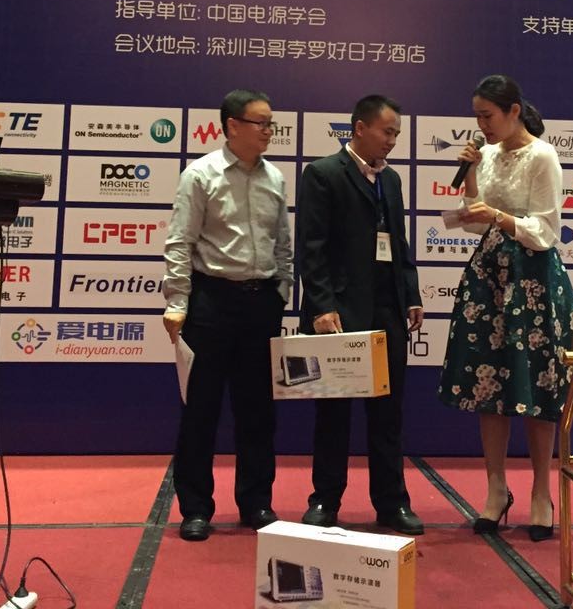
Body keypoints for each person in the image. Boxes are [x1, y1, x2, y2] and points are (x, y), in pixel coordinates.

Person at [437, 74, 573, 541]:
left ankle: (541, 493)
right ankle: (496, 489)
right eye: (477, 116)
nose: (482, 125)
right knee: (487, 384)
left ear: (514, 110)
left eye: (488, 115)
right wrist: (471, 175)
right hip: (489, 277)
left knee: (536, 386)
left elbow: (545, 231)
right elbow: (474, 222)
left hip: (532, 280)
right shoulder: (489, 154)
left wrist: (498, 216)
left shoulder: (543, 155)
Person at [162, 89, 293, 542]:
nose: (269, 131)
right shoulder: (200, 174)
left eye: (271, 123)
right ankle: (196, 507)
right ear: (232, 125)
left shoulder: (275, 177)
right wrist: (178, 302)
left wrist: (281, 292)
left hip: (261, 303)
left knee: (258, 410)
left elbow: (283, 243)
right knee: (201, 409)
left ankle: (256, 503)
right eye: (261, 122)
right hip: (211, 301)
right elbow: (180, 241)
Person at [298, 95, 425, 535]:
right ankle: (324, 500)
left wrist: (411, 293)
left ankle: (392, 503)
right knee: (333, 414)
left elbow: (399, 242)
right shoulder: (322, 173)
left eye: (396, 134)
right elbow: (311, 248)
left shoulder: (391, 180)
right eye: (387, 132)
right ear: (359, 128)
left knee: (388, 414)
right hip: (339, 312)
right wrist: (321, 306)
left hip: (387, 309)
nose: (392, 141)